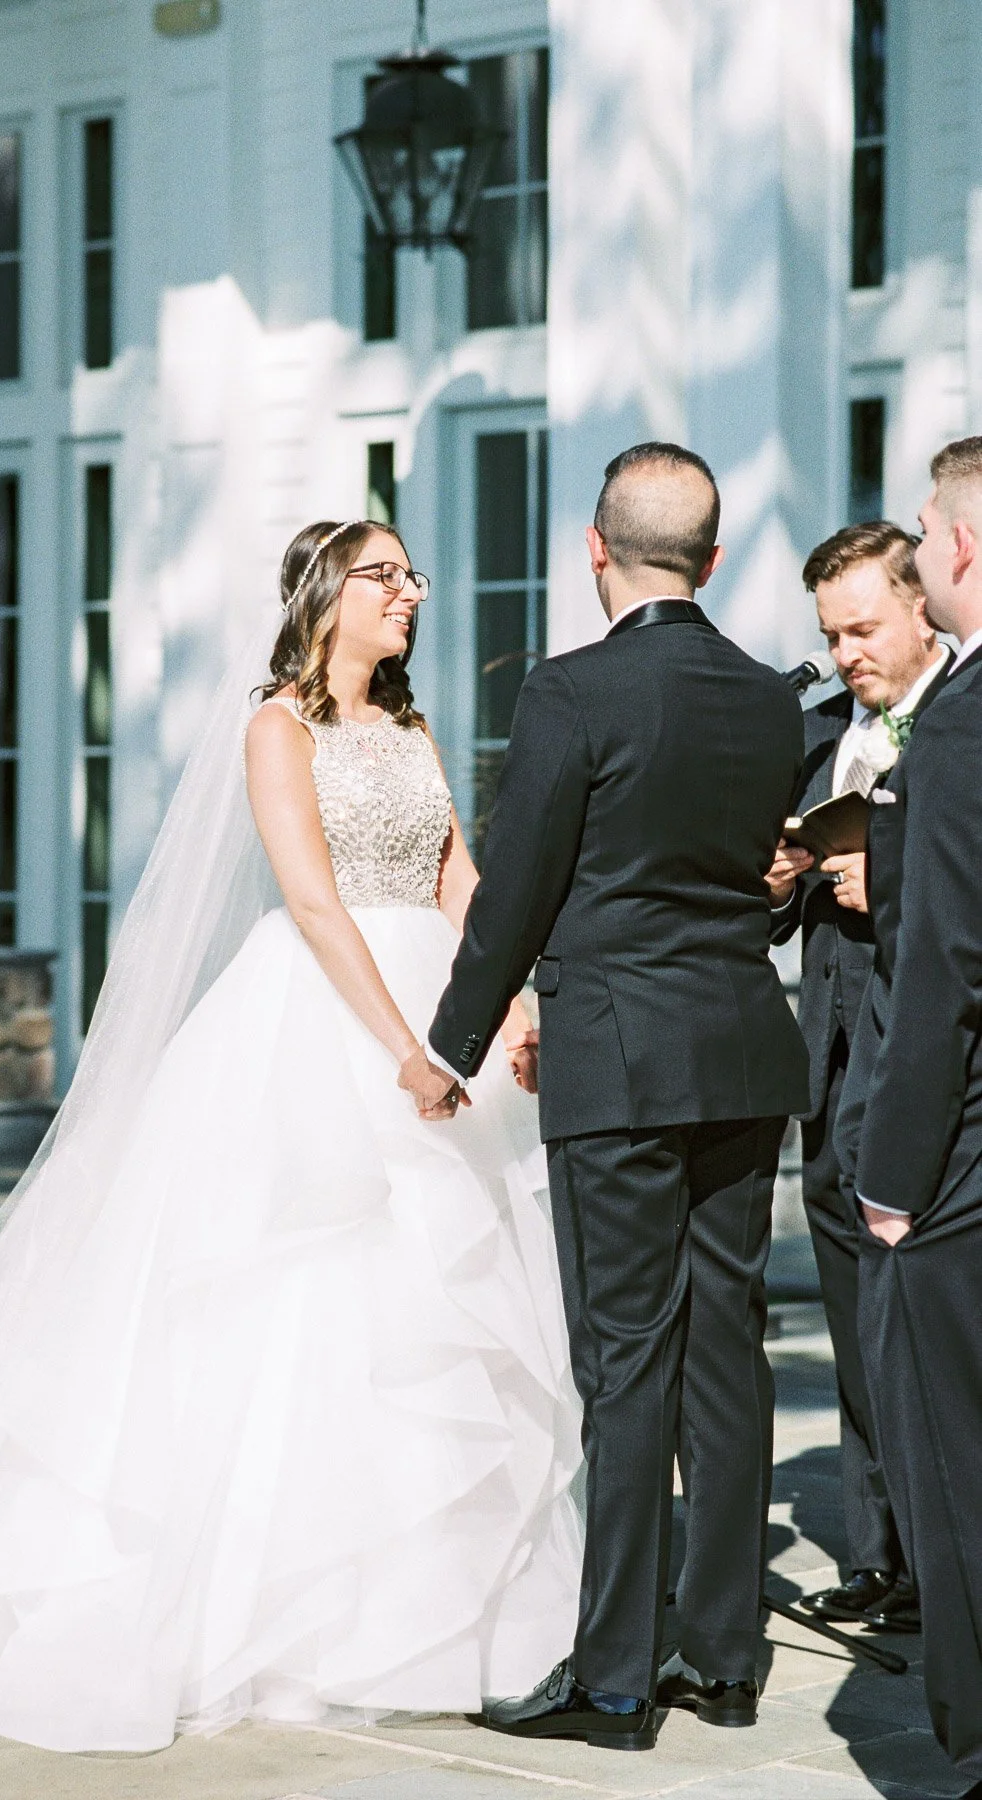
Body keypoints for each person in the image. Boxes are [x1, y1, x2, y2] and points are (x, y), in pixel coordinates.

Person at [0, 521, 583, 1754]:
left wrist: (508, 997)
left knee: (446, 1306)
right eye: (387, 576)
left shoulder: (411, 732)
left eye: (414, 574)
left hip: (442, 1006)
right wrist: (402, 1049)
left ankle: (450, 1614)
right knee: (308, 1301)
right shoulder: (278, 728)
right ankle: (289, 1611)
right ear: (327, 596)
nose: (412, 592)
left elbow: (458, 878)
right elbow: (313, 898)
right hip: (331, 1019)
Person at [409, 443, 810, 1749]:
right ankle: (725, 1656)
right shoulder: (764, 698)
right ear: (715, 551)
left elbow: (519, 879)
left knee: (625, 1365)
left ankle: (619, 1678)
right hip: (742, 1051)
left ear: (595, 549)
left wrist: (451, 1039)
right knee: (724, 1351)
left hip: (621, 1066)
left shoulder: (570, 690)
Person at [767, 523, 948, 1633]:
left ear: (923, 604)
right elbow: (777, 909)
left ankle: (948, 1564)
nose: (844, 655)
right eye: (830, 635)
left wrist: (890, 888)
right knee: (853, 1319)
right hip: (833, 1069)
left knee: (931, 1321)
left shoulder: (962, 728)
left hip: (929, 1065)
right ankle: (881, 1558)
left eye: (863, 628)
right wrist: (782, 878)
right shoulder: (821, 735)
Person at [835, 439, 982, 1791]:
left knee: (956, 1463)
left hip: (967, 1163)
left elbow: (939, 968)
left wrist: (890, 1175)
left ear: (961, 547)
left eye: (932, 535)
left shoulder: (960, 723)